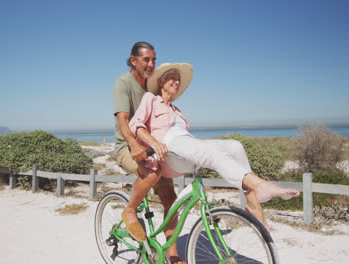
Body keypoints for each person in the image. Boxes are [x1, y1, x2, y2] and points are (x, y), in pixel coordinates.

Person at [123, 63, 300, 238]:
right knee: (203, 151)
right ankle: (259, 184)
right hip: (167, 149)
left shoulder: (177, 111)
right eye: (172, 78)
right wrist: (153, 142)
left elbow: (184, 138)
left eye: (178, 79)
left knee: (235, 146)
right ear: (161, 82)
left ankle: (253, 204)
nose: (176, 81)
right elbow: (135, 125)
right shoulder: (150, 99)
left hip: (183, 148)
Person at [113, 42, 184, 264]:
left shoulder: (153, 87)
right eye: (146, 60)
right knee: (151, 173)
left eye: (154, 59)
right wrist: (134, 146)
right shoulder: (123, 83)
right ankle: (130, 211)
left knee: (171, 200)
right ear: (133, 60)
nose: (151, 64)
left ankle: (173, 256)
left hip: (153, 148)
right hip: (126, 146)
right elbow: (124, 120)